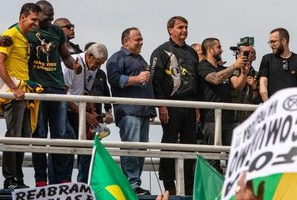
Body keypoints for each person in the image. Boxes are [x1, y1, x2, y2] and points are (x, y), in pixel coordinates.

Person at [28, 0, 81, 187]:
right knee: (40, 135)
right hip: (38, 89)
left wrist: (73, 65)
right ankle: (41, 180)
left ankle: (62, 180)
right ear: (36, 13)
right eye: (48, 15)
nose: (51, 18)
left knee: (61, 137)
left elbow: (65, 56)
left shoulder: (57, 32)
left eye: (53, 15)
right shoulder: (27, 29)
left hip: (57, 88)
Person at [150, 16, 199, 195]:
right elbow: (155, 81)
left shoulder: (192, 53)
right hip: (170, 104)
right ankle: (168, 184)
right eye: (180, 27)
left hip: (190, 104)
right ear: (170, 30)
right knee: (169, 143)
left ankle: (187, 186)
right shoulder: (161, 51)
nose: (184, 30)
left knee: (190, 145)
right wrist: (161, 105)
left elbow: (197, 82)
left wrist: (197, 107)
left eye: (186, 27)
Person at [106, 27, 156, 195]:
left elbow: (148, 86)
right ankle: (131, 183)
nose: (141, 42)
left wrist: (151, 110)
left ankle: (135, 182)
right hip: (129, 111)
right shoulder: (117, 58)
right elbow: (113, 79)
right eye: (137, 39)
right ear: (126, 41)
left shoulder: (141, 59)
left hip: (142, 111)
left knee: (140, 149)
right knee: (131, 147)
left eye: (141, 39)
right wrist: (136, 79)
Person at [0, 3, 41, 189]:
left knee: (24, 136)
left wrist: (28, 84)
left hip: (24, 92)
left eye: (38, 20)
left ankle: (19, 179)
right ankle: (10, 179)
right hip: (14, 94)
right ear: (22, 17)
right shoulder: (10, 35)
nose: (36, 24)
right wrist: (14, 87)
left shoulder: (25, 38)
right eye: (33, 19)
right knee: (13, 134)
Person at [197, 37, 248, 171]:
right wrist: (234, 66)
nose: (221, 50)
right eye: (218, 47)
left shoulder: (223, 68)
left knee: (235, 156)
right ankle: (213, 190)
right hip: (211, 120)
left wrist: (243, 72)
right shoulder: (202, 66)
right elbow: (215, 79)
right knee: (213, 160)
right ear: (209, 49)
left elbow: (237, 85)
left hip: (228, 119)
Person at [62, 43, 108, 183]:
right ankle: (63, 181)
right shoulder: (72, 63)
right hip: (64, 109)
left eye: (101, 64)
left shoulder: (92, 67)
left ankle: (83, 183)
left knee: (88, 145)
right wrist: (84, 114)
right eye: (97, 63)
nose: (98, 67)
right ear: (89, 56)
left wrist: (92, 112)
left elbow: (85, 91)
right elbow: (62, 95)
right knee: (66, 143)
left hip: (78, 111)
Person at [259, 28, 297, 102]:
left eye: (273, 42)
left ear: (284, 41)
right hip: (273, 106)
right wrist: (267, 104)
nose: (271, 45)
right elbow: (263, 82)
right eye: (269, 42)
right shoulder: (267, 59)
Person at [85, 42, 113, 125]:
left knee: (95, 138)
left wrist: (108, 111)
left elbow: (106, 93)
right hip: (81, 112)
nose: (98, 66)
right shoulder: (79, 70)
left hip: (97, 114)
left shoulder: (101, 73)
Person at [232, 46, 261, 123]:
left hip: (250, 119)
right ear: (238, 55)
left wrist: (255, 88)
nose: (247, 54)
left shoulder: (258, 76)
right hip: (232, 117)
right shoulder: (229, 72)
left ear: (254, 57)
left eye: (250, 52)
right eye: (244, 52)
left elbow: (259, 101)